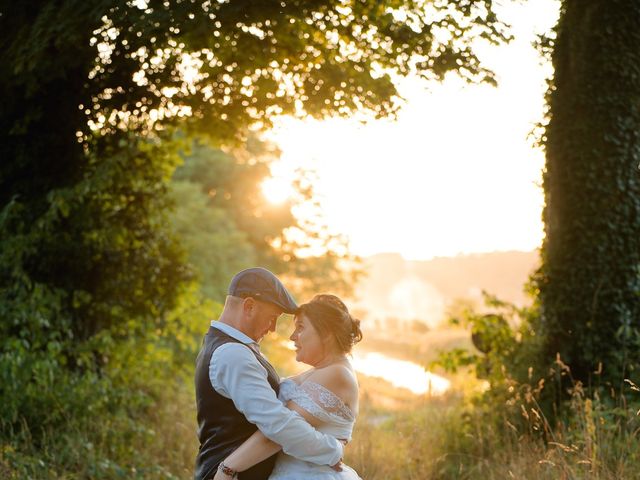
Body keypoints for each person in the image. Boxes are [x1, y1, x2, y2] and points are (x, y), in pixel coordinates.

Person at [194, 268, 344, 480]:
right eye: (272, 317)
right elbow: (276, 423)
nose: (273, 328)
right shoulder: (233, 353)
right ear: (249, 306)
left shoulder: (226, 345)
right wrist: (330, 450)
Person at [213, 293, 363, 480]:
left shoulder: (336, 374)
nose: (293, 336)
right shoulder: (323, 371)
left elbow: (277, 433)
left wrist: (227, 468)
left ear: (326, 334)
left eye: (300, 327)